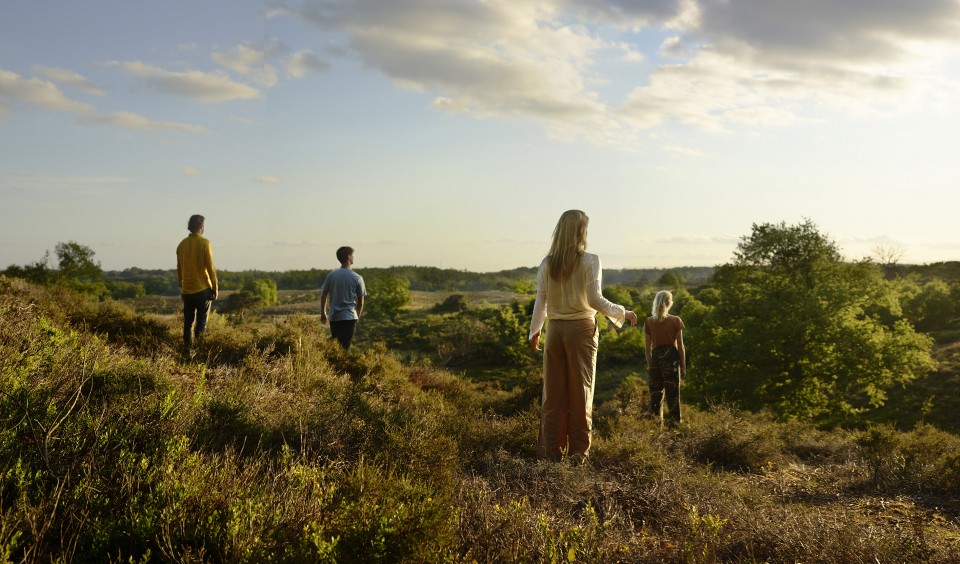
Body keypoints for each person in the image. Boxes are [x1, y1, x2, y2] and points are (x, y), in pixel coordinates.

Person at [529, 210, 638, 462]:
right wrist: (621, 311)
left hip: (554, 331)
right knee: (581, 393)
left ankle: (550, 455)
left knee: (553, 396)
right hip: (581, 330)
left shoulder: (548, 262)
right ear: (581, 231)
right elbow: (594, 299)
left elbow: (541, 301)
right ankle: (578, 456)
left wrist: (535, 331)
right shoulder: (590, 260)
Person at [176, 214, 218, 354]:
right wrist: (215, 287)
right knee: (201, 322)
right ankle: (199, 352)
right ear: (201, 227)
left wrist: (182, 286)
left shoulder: (181, 245)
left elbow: (179, 269)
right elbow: (210, 268)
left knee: (188, 323)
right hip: (202, 289)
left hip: (187, 291)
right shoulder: (205, 243)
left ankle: (187, 351)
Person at [644, 290, 686, 427]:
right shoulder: (676, 320)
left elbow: (647, 349)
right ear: (669, 303)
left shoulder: (649, 321)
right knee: (672, 394)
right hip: (671, 359)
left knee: (655, 395)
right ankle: (675, 427)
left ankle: (655, 427)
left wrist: (650, 366)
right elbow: (681, 347)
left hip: (656, 359)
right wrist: (683, 366)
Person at [320, 246, 366, 351]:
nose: (353, 257)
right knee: (344, 350)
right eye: (352, 255)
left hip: (334, 317)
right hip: (349, 317)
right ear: (349, 256)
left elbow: (324, 296)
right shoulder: (357, 278)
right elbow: (361, 302)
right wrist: (357, 317)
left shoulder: (331, 275)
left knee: (336, 348)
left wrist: (323, 314)